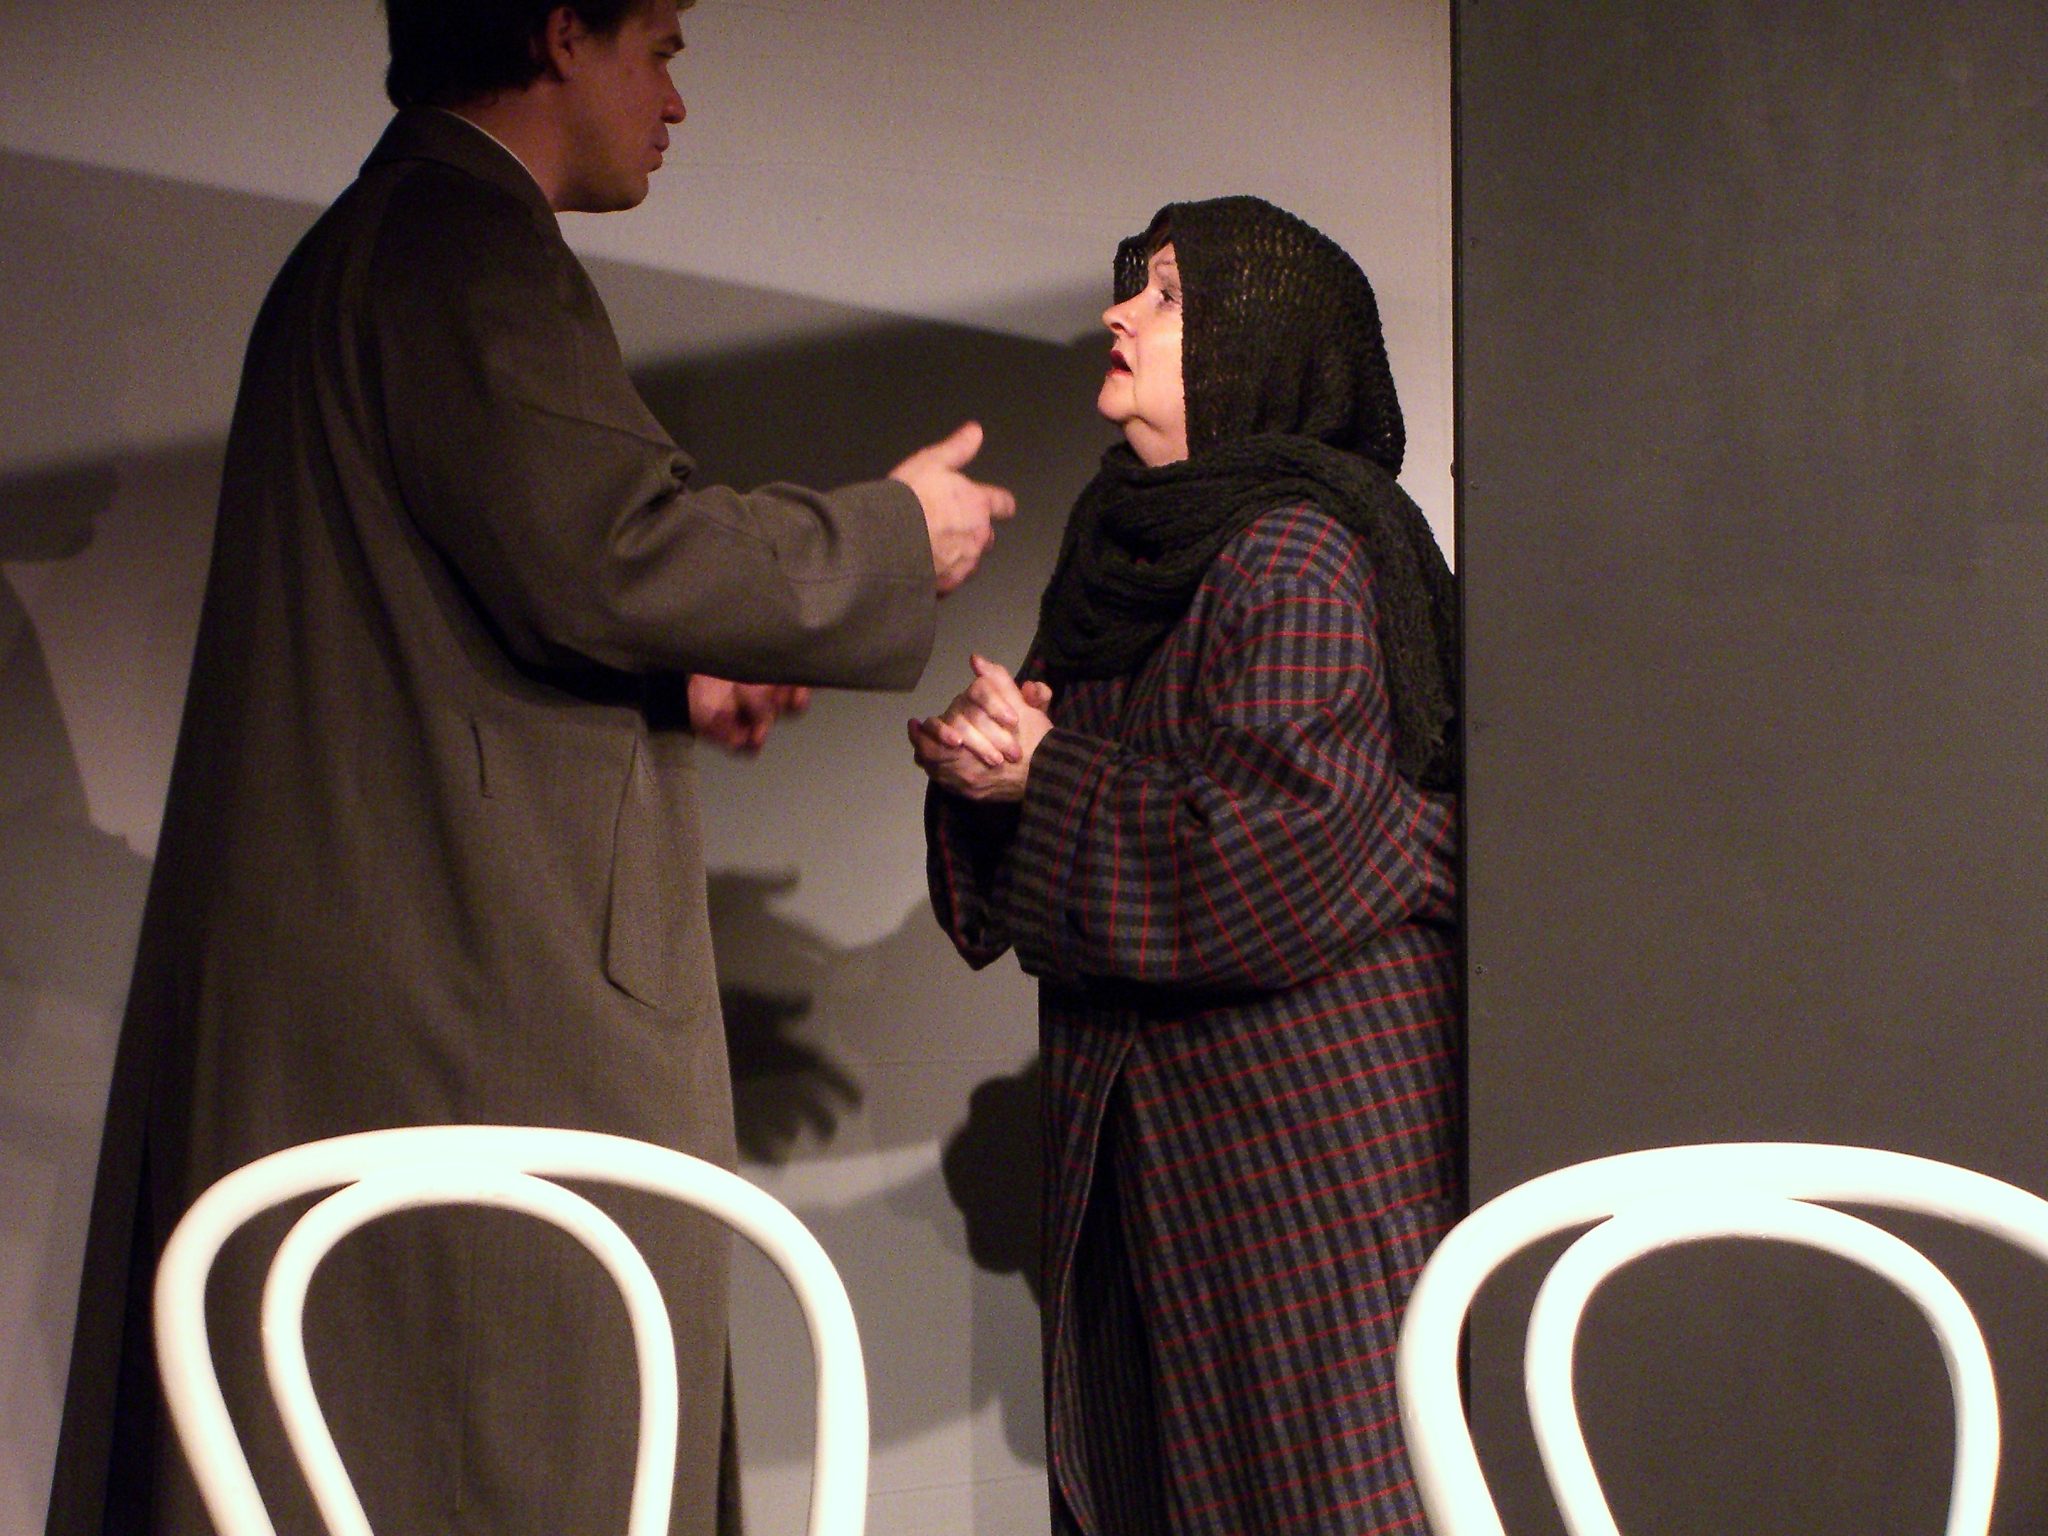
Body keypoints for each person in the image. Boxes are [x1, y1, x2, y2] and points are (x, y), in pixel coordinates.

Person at [44, 4, 1014, 1536]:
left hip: (397, 973)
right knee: (499, 1434)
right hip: (451, 1004)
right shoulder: (460, 243)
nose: (677, 99)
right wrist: (890, 536)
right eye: (662, 47)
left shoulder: (393, 239)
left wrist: (677, 674)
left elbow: (483, 581)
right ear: (565, 34)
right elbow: (609, 546)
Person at [912, 196, 1460, 1536]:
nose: (1120, 313)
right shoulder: (1128, 552)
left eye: (1164, 294)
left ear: (1251, 344)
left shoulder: (1300, 551)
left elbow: (1280, 853)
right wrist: (990, 768)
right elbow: (1054, 814)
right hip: (1148, 1147)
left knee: (1322, 1501)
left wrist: (1043, 774)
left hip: (1307, 1150)